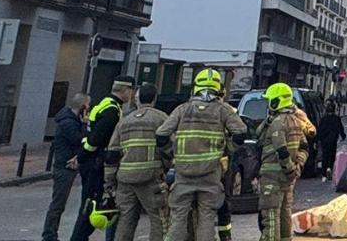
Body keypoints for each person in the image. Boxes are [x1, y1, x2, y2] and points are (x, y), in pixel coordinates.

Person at [158, 69, 245, 241]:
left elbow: (161, 135)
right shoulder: (223, 110)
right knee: (206, 218)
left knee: (178, 219)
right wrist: (228, 148)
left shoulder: (182, 110)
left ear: (195, 87)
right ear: (219, 89)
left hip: (183, 174)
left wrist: (172, 152)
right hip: (210, 174)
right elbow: (241, 133)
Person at [70, 77, 136, 241]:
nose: (132, 95)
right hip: (96, 164)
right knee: (91, 207)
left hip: (90, 161)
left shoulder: (104, 103)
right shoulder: (112, 111)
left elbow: (89, 134)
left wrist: (81, 156)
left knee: (89, 205)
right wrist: (82, 157)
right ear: (125, 91)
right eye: (132, 91)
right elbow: (96, 139)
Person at [112, 83, 169, 241]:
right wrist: (165, 166)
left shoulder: (124, 122)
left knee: (126, 220)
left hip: (125, 179)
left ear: (136, 99)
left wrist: (109, 181)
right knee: (159, 219)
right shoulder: (162, 119)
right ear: (154, 99)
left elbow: (112, 154)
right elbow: (169, 147)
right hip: (151, 179)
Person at [255, 84, 306, 241]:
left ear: (276, 102)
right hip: (287, 179)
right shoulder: (297, 121)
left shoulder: (278, 123)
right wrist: (298, 167)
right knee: (285, 213)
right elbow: (304, 147)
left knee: (271, 216)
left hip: (273, 177)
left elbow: (281, 150)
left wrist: (289, 169)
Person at [44, 94, 91, 241]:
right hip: (65, 166)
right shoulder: (68, 123)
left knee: (59, 203)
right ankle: (49, 235)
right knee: (58, 203)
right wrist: (84, 123)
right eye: (88, 105)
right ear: (83, 107)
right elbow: (80, 140)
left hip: (68, 164)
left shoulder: (70, 120)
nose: (89, 108)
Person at [315, 105, 344, 183]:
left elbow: (319, 130)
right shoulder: (337, 118)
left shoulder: (323, 119)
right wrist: (343, 136)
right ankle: (330, 168)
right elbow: (340, 128)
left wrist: (316, 140)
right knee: (332, 156)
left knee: (325, 157)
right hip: (333, 140)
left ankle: (324, 175)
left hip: (324, 141)